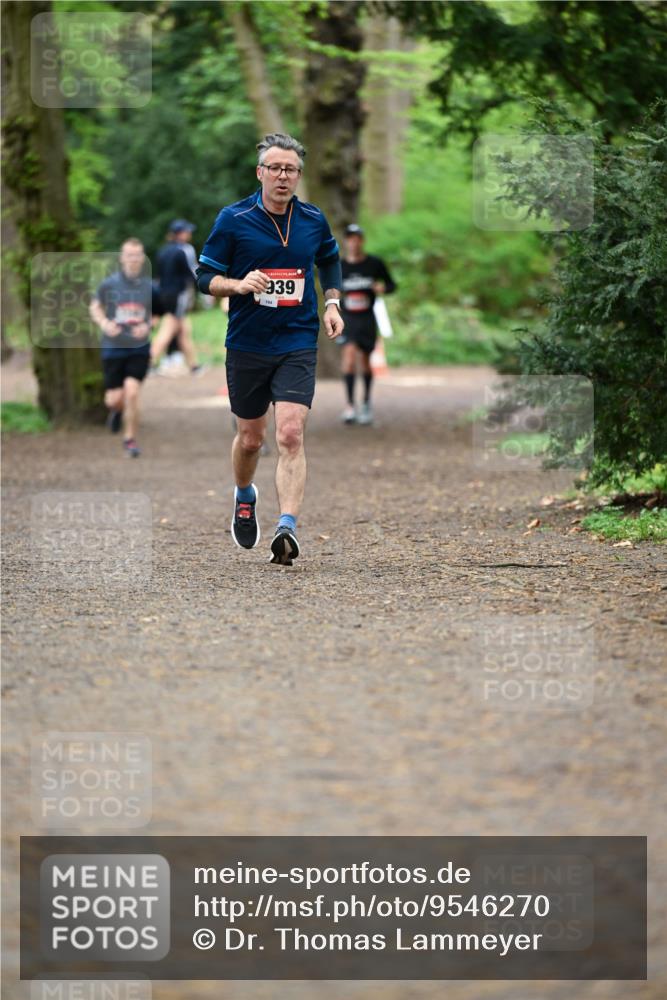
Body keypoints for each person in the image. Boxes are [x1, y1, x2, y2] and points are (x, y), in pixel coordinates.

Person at [195, 132, 344, 565]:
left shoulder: (313, 219)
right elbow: (204, 277)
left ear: (299, 175)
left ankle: (287, 528)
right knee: (251, 439)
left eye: (291, 169)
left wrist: (332, 302)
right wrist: (238, 285)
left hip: (298, 338)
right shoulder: (233, 219)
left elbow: (330, 260)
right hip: (248, 342)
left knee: (291, 433)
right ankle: (245, 494)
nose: (283, 176)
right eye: (275, 168)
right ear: (260, 172)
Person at [89, 238, 157, 458]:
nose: (134, 259)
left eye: (138, 255)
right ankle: (116, 411)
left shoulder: (150, 286)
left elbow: (158, 313)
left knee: (133, 392)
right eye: (129, 254)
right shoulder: (109, 284)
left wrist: (147, 326)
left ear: (142, 257)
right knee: (114, 398)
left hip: (138, 348)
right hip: (113, 347)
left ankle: (130, 440)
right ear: (122, 257)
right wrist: (104, 323)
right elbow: (95, 307)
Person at [339, 223, 396, 425]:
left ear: (362, 241)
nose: (353, 242)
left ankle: (365, 402)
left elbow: (391, 285)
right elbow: (330, 288)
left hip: (367, 318)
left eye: (357, 238)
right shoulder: (340, 266)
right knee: (348, 356)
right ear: (346, 242)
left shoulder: (374, 264)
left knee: (365, 360)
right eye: (350, 239)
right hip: (348, 319)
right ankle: (349, 406)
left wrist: (382, 287)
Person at [151, 220, 204, 375]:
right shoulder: (185, 249)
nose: (190, 234)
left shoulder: (163, 251)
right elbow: (194, 271)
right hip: (178, 295)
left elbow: (160, 276)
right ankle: (149, 361)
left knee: (184, 329)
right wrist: (206, 287)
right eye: (187, 231)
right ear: (180, 234)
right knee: (169, 328)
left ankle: (194, 365)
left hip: (163, 294)